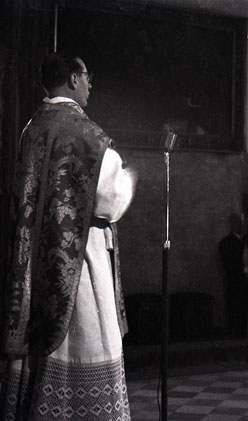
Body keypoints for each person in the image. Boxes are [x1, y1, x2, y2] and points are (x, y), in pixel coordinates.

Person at [0, 53, 137, 419]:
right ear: (73, 79)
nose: (90, 85)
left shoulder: (31, 129)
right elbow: (110, 202)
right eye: (87, 77)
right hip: (81, 262)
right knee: (86, 337)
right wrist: (129, 178)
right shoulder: (87, 134)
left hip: (36, 264)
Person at [218, 213, 248, 339]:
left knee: (245, 310)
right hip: (235, 281)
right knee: (235, 309)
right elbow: (227, 263)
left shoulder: (246, 242)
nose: (241, 225)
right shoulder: (226, 243)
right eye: (238, 223)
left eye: (241, 223)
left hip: (245, 282)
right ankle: (235, 334)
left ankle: (245, 333)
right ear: (232, 225)